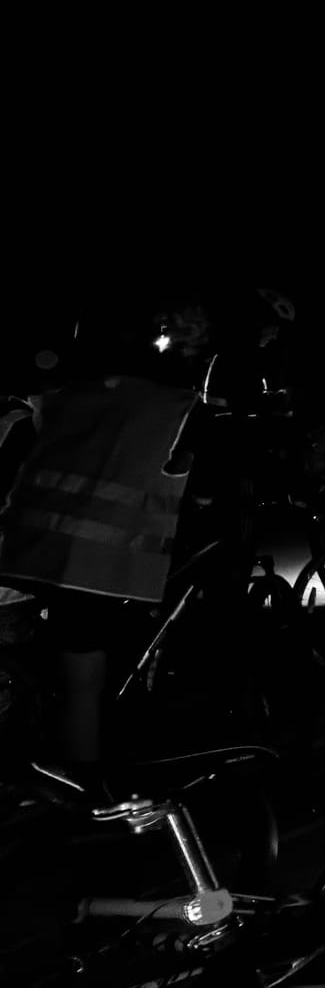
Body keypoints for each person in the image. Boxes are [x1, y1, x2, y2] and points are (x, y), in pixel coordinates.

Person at [0, 313, 201, 773]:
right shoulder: (175, 407)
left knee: (56, 653)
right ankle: (81, 777)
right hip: (99, 567)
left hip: (28, 547)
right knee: (83, 669)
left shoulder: (61, 396)